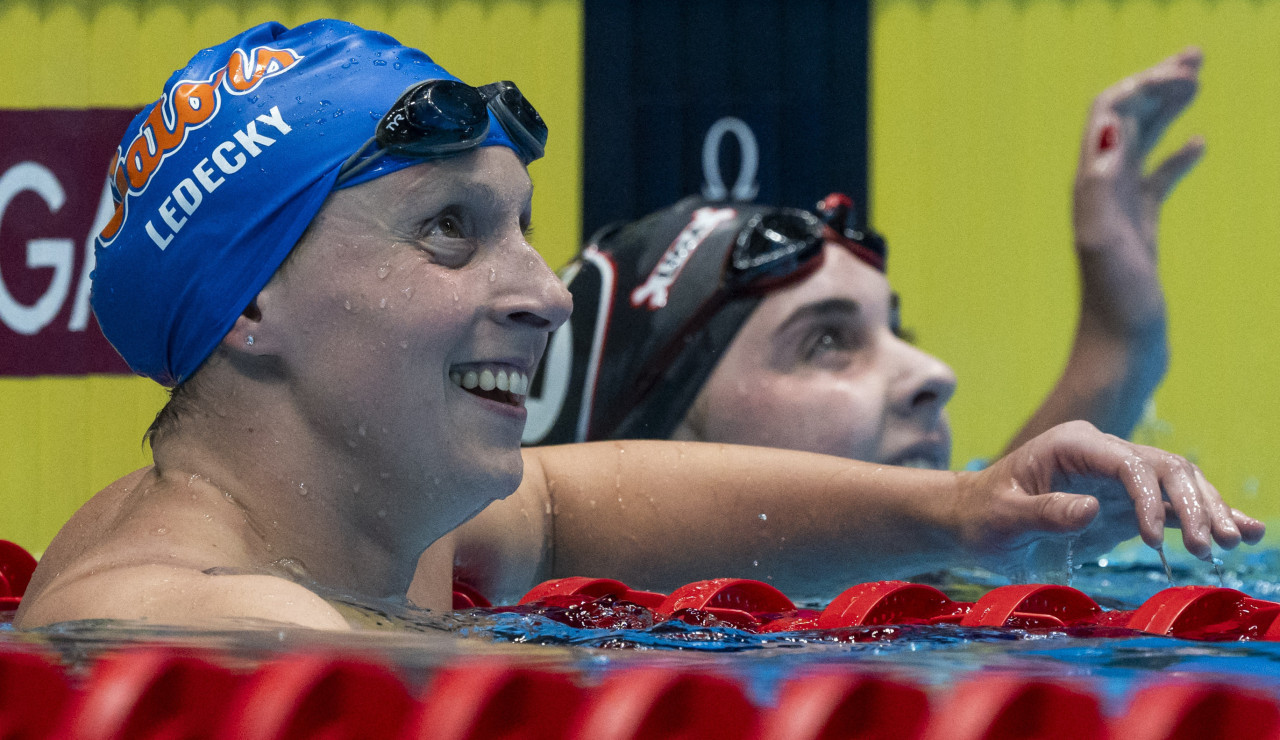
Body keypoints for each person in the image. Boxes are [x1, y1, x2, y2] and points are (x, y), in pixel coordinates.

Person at [15, 23, 1259, 630]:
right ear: (248, 303)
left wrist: (964, 513)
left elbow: (563, 500)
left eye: (520, 228)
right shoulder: (189, 611)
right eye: (449, 228)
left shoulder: (361, 518)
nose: (544, 290)